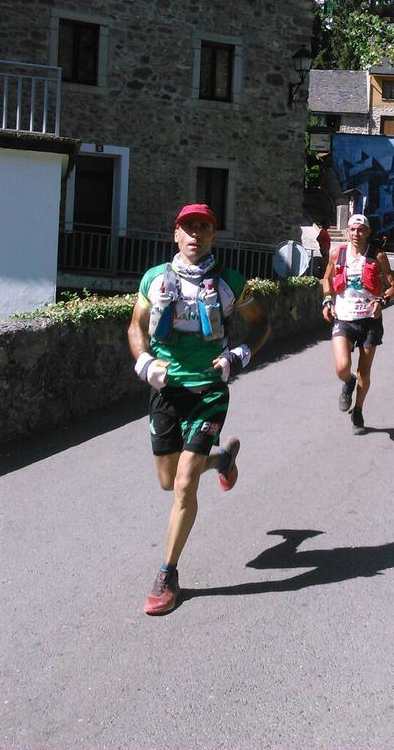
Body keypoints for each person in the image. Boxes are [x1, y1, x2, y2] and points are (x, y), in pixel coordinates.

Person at [127, 203, 270, 615]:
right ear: (176, 234)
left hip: (209, 389)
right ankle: (221, 458)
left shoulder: (229, 283)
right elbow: (136, 327)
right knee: (168, 481)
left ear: (213, 237)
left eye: (203, 228)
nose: (195, 235)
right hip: (166, 391)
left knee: (185, 481)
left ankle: (167, 575)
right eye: (188, 227)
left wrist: (239, 355)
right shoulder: (154, 280)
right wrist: (144, 362)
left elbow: (262, 325)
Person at [321, 213, 394, 433]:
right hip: (344, 318)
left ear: (368, 232)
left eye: (361, 230)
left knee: (365, 372)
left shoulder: (378, 256)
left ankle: (358, 410)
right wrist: (327, 300)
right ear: (347, 231)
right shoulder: (338, 253)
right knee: (342, 367)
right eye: (353, 229)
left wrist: (382, 301)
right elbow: (327, 278)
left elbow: (393, 286)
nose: (356, 234)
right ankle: (348, 382)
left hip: (369, 321)